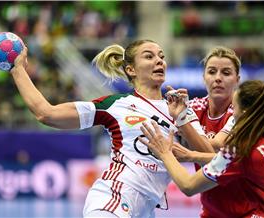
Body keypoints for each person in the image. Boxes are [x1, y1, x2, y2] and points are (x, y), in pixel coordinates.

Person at [10, 39, 204, 217]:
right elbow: (47, 114)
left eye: (162, 56)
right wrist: (18, 70)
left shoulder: (181, 109)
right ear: (131, 70)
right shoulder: (115, 104)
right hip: (113, 198)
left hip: (146, 209)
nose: (159, 61)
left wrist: (182, 119)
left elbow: (211, 157)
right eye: (149, 56)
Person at [140, 80, 264, 217]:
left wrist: (165, 153)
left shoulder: (243, 148)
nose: (233, 113)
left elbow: (189, 186)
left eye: (235, 108)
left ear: (246, 113)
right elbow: (247, 162)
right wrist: (192, 155)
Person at [171, 46, 258, 217]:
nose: (218, 78)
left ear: (237, 79)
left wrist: (185, 125)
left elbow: (217, 151)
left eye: (226, 73)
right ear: (204, 77)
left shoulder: (246, 112)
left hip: (248, 210)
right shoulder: (194, 107)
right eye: (212, 72)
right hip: (211, 209)